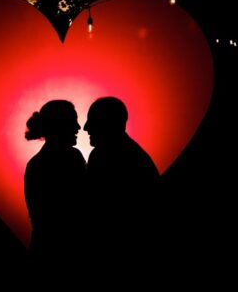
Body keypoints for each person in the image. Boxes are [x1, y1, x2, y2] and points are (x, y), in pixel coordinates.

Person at [84, 96, 163, 266]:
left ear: (108, 124)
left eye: (93, 121)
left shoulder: (104, 157)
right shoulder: (132, 155)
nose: (85, 128)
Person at [24, 99, 86, 265]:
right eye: (73, 122)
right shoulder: (72, 158)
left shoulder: (36, 164)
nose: (78, 128)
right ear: (59, 126)